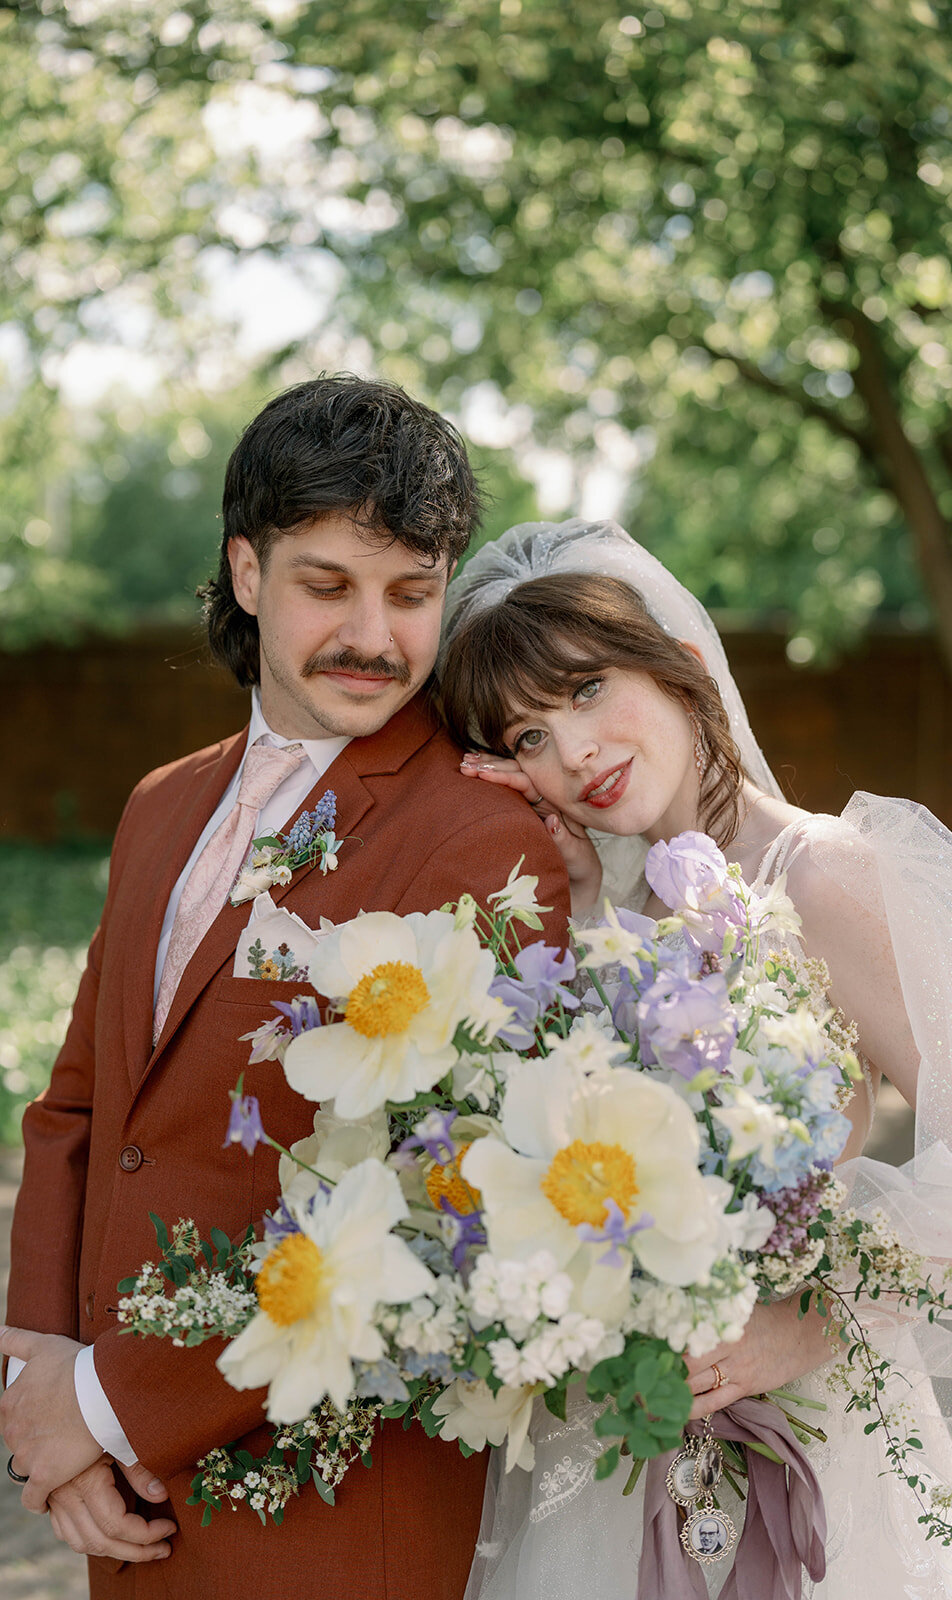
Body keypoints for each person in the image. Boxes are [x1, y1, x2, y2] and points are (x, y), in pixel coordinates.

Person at [0, 379, 570, 1600]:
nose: (374, 634)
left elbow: (432, 1210)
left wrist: (104, 1406)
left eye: (411, 594)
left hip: (331, 1516)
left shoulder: (481, 838)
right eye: (329, 584)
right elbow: (82, 1111)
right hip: (127, 1512)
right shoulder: (161, 804)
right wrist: (40, 1385)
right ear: (247, 571)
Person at [438, 517, 952, 1600]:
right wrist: (586, 905)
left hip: (811, 1433)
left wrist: (803, 1324)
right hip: (612, 1452)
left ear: (680, 669)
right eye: (524, 735)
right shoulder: (592, 914)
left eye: (585, 689)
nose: (570, 750)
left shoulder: (824, 878)